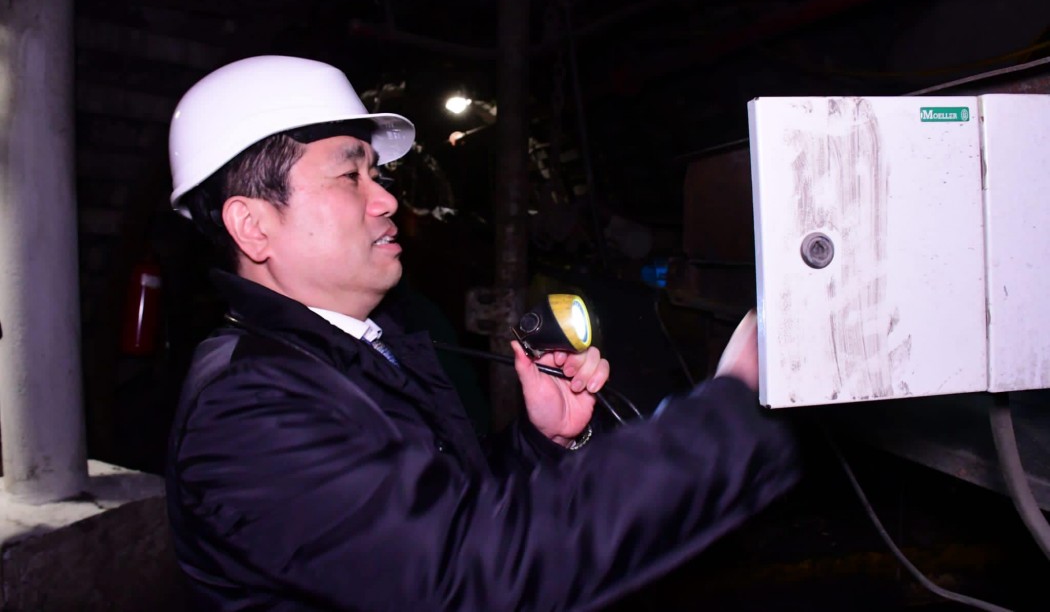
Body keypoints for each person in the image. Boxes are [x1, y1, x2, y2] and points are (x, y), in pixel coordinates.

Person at [164, 55, 800, 611]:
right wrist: (725, 416)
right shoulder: (247, 410)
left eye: (376, 176)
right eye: (349, 176)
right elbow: (469, 572)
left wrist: (542, 443)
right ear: (252, 226)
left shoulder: (353, 351)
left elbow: (440, 511)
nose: (386, 200)